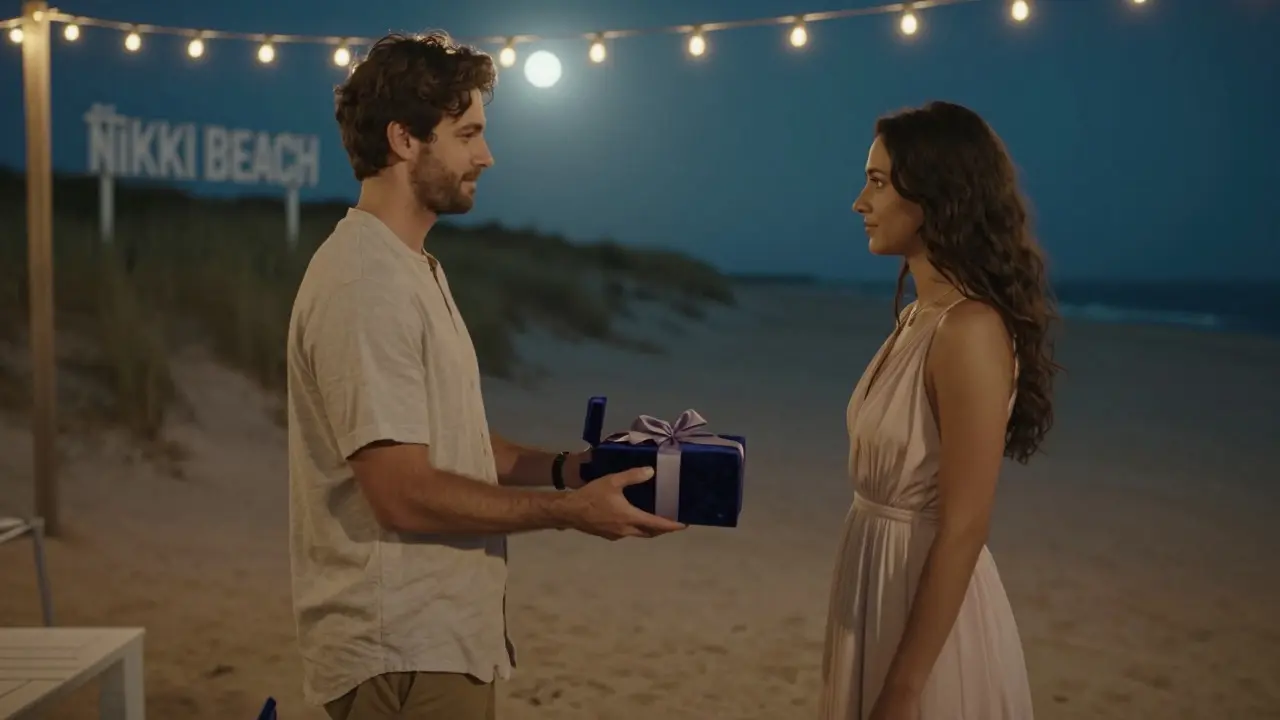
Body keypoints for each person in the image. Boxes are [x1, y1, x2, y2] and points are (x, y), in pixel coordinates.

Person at [285, 31, 686, 720]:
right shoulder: (364, 283)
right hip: (400, 648)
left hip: (439, 638)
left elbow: (458, 446)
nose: (487, 155)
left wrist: (570, 470)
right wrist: (569, 516)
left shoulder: (410, 267)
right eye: (467, 133)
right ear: (405, 139)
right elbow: (402, 494)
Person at [820, 101, 1059, 720]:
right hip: (873, 579)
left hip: (925, 605)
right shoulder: (915, 319)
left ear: (935, 194)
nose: (859, 203)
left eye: (876, 182)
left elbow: (964, 525)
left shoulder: (970, 329)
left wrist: (902, 691)